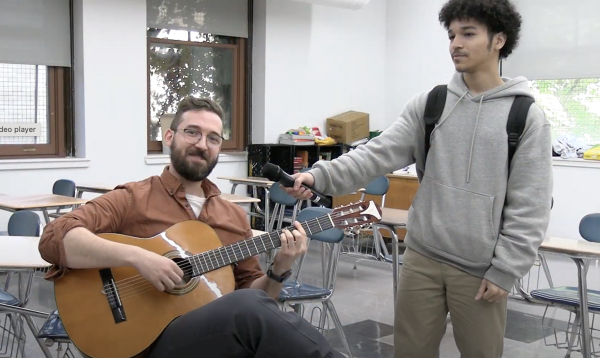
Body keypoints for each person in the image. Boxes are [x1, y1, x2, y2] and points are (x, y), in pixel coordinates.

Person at [283, 0, 553, 357]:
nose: (455, 43)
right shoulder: (432, 104)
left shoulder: (525, 116)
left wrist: (507, 269)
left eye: (468, 34)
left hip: (480, 268)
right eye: (452, 34)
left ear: (499, 40)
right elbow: (375, 154)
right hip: (422, 258)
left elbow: (531, 203)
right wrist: (319, 176)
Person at [38, 97, 345, 358]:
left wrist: (278, 269)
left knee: (259, 311)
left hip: (208, 339)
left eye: (213, 138)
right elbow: (55, 237)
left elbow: (258, 295)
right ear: (170, 138)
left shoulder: (234, 216)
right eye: (192, 133)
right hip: (142, 342)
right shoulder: (134, 198)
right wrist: (138, 257)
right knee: (251, 311)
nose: (202, 145)